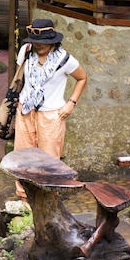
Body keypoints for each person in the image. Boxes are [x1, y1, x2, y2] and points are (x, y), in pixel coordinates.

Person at [14, 18, 87, 201]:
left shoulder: (65, 59)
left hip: (51, 115)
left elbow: (82, 78)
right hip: (25, 111)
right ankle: (24, 197)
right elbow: (18, 78)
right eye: (36, 41)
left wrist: (71, 103)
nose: (39, 45)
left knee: (49, 160)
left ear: (53, 39)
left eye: (43, 41)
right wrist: (16, 98)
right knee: (23, 156)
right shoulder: (26, 51)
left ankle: (47, 199)